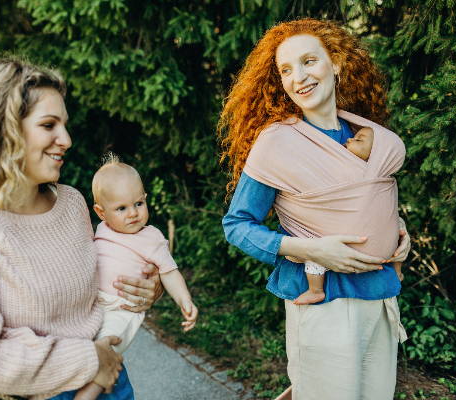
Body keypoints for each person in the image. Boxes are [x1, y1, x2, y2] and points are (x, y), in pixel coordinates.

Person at [0, 58, 163, 400]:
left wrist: (146, 284)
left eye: (64, 125)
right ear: (1, 130)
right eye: (48, 125)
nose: (67, 140)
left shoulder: (71, 203)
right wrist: (90, 360)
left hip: (110, 381)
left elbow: (98, 279)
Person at [219, 19, 411, 400]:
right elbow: (237, 225)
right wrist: (311, 250)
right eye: (286, 70)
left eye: (309, 61)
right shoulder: (277, 144)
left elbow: (369, 199)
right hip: (325, 301)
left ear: (336, 63)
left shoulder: (365, 137)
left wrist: (397, 230)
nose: (299, 77)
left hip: (380, 293)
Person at [74, 155, 198, 400]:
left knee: (108, 344)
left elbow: (169, 272)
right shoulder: (100, 229)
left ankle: (89, 393)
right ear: (101, 212)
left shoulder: (151, 237)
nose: (132, 213)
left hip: (123, 307)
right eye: (121, 208)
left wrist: (185, 301)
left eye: (138, 204)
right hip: (92, 301)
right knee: (83, 348)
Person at [291, 127, 404, 305]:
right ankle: (316, 290)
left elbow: (387, 209)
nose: (350, 140)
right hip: (343, 243)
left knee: (396, 234)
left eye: (359, 140)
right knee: (316, 252)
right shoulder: (340, 168)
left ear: (378, 155)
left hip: (374, 244)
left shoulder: (383, 179)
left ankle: (316, 289)